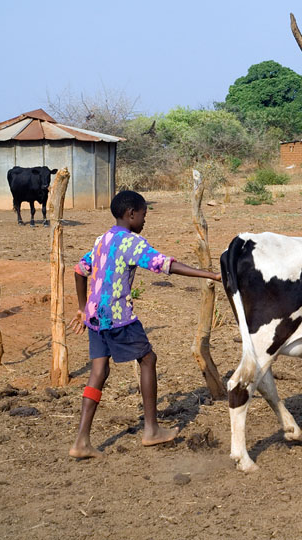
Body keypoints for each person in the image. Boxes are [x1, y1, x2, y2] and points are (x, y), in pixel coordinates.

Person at [68, 190, 221, 459]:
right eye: (143, 215)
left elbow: (80, 270)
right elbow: (165, 265)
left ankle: (81, 441)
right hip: (117, 317)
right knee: (148, 359)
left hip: (95, 316)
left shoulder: (101, 239)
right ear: (131, 214)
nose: (144, 220)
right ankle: (151, 430)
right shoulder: (132, 243)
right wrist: (210, 275)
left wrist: (83, 309)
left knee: (98, 373)